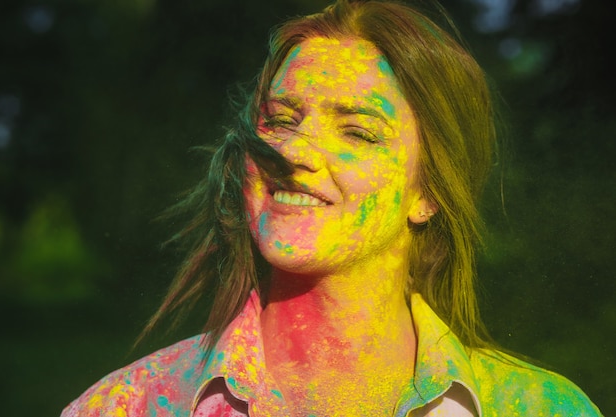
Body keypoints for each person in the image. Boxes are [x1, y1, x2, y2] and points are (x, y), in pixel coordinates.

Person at [61, 0, 603, 416]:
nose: (293, 152)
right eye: (280, 119)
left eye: (357, 131)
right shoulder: (126, 405)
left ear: (429, 193)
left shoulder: (540, 407)